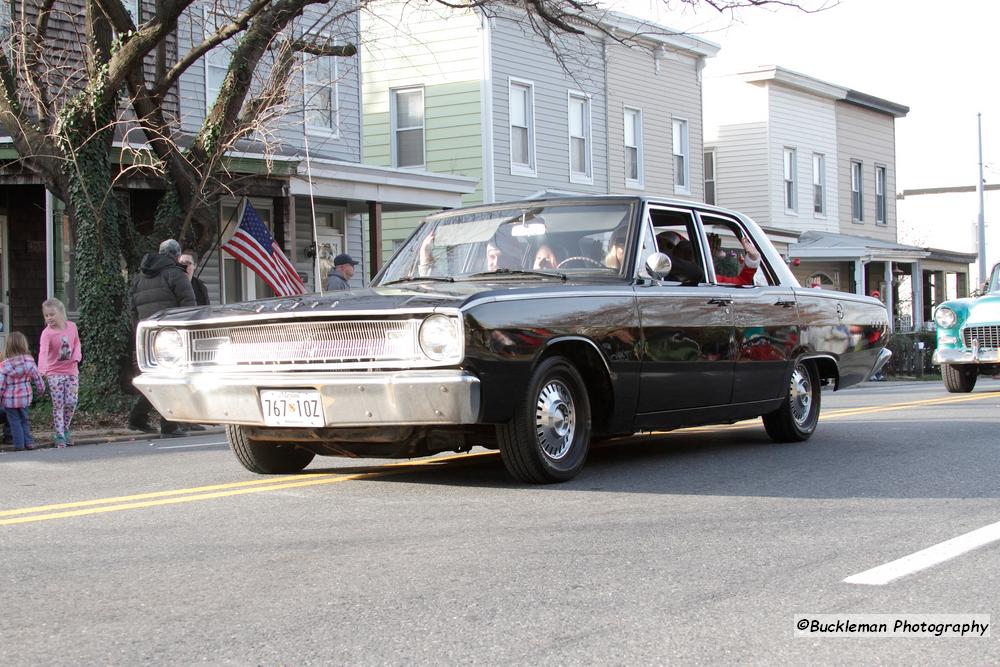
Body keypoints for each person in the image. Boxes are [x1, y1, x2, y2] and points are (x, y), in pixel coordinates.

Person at [127, 239, 196, 436]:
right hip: (172, 337)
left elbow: (133, 311)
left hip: (146, 337)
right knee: (173, 379)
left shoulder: (139, 278)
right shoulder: (176, 274)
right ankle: (169, 425)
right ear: (176, 255)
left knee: (153, 378)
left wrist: (138, 335)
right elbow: (189, 306)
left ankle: (137, 419)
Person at [39, 298, 82, 447]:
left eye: (52, 314)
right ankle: (59, 434)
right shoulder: (47, 333)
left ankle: (65, 428)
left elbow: (76, 343)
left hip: (71, 371)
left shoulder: (72, 327)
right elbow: (43, 351)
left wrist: (77, 356)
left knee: (71, 402)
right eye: (46, 315)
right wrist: (42, 369)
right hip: (54, 372)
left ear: (61, 313)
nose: (49, 318)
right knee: (59, 404)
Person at [0, 332, 45, 451]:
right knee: (24, 420)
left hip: (9, 400)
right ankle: (29, 442)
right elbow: (37, 377)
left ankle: (19, 445)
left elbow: (1, 385)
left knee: (14, 421)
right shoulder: (29, 362)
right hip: (25, 397)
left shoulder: (4, 366)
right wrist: (41, 389)